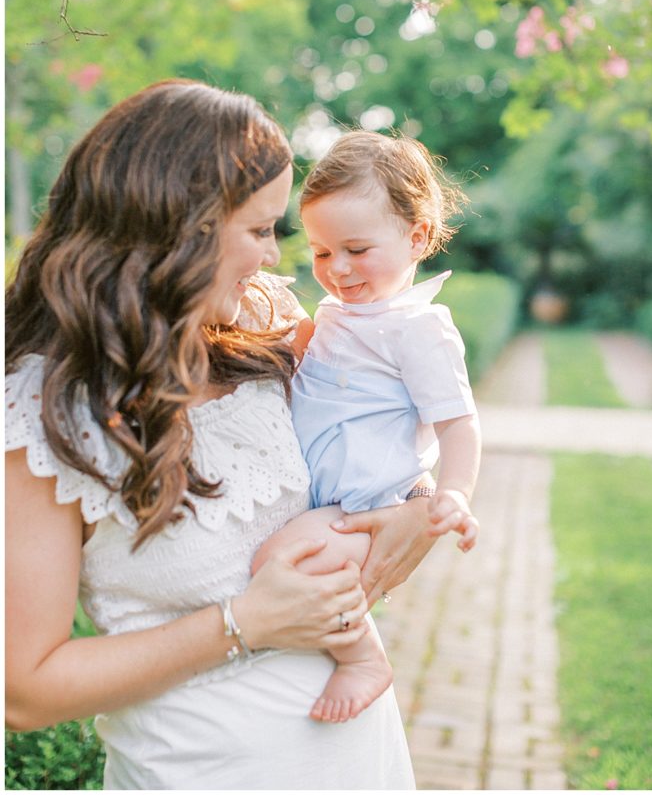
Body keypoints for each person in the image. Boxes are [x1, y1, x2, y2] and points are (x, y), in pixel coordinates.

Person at [5, 80, 437, 790]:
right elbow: (24, 689)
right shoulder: (43, 409)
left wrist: (419, 499)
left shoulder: (264, 320)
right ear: (183, 227)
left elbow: (389, 418)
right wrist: (244, 623)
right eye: (261, 229)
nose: (275, 257)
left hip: (362, 762)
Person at [253, 130, 481, 726]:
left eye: (356, 249)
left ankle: (362, 658)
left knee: (282, 561)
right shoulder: (336, 313)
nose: (337, 269)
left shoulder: (418, 329)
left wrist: (453, 493)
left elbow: (459, 424)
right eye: (322, 253)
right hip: (323, 494)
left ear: (417, 238)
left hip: (362, 501)